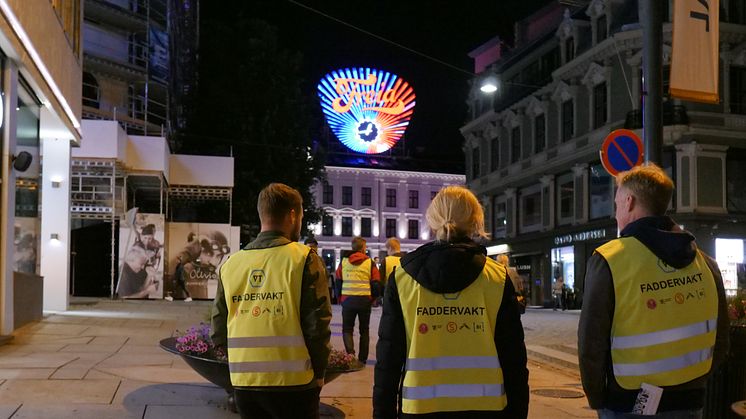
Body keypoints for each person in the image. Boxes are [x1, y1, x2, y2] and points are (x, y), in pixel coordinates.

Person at [578, 164, 729, 418]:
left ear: (629, 201)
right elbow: (721, 338)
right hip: (690, 400)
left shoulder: (609, 260)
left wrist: (599, 399)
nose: (616, 214)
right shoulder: (705, 263)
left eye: (616, 205)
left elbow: (590, 345)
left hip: (628, 403)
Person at [374, 186, 529, 418]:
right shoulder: (496, 277)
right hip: (486, 408)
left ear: (433, 221)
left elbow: (389, 358)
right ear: (476, 221)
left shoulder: (402, 276)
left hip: (420, 409)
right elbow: (513, 357)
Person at [211, 183, 331, 419]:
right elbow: (317, 325)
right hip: (295, 385)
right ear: (293, 214)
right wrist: (319, 373)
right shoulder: (304, 258)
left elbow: (217, 331)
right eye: (302, 216)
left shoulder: (230, 264)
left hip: (245, 386)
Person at [335, 236, 381, 365]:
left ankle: (350, 356)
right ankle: (362, 359)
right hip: (364, 300)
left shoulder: (344, 262)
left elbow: (338, 281)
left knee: (347, 329)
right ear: (362, 248)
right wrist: (373, 298)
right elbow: (376, 282)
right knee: (364, 330)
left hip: (348, 300)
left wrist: (340, 298)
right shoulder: (369, 263)